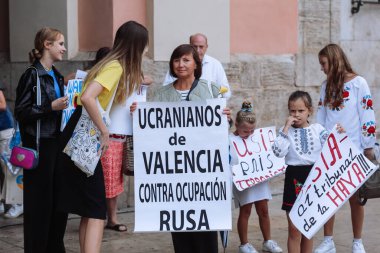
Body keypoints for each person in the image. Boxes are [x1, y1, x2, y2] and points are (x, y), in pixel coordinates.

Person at [57, 20, 149, 253]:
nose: (147, 50)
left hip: (77, 132)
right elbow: (88, 97)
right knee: (97, 209)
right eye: (146, 45)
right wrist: (104, 131)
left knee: (91, 208)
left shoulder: (108, 64)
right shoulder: (115, 67)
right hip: (87, 134)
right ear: (136, 45)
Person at [131, 44, 232, 253]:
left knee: (206, 231)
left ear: (196, 63)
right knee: (181, 231)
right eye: (177, 60)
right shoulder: (161, 94)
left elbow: (220, 132)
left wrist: (226, 119)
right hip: (174, 177)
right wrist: (139, 115)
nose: (181, 64)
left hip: (203, 176)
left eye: (186, 60)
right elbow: (152, 132)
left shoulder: (211, 89)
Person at [314, 44, 376, 253]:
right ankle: (328, 240)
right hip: (331, 150)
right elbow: (321, 117)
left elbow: (367, 115)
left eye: (324, 63)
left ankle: (357, 241)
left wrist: (368, 148)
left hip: (355, 150)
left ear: (334, 60)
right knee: (328, 195)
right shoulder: (326, 86)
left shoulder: (359, 83)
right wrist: (321, 143)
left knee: (356, 198)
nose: (322, 68)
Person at [14, 27, 69, 253]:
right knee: (40, 207)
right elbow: (21, 111)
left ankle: (55, 247)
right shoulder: (32, 74)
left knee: (58, 204)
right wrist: (50, 107)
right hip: (39, 146)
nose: (64, 48)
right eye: (60, 43)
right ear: (47, 45)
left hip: (57, 144)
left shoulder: (56, 74)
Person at [272, 91, 331, 253]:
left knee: (308, 229)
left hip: (313, 178)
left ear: (309, 111)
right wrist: (285, 128)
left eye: (300, 111)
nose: (296, 115)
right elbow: (278, 151)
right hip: (294, 178)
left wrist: (339, 132)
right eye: (292, 111)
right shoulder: (285, 132)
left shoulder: (318, 129)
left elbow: (332, 146)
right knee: (294, 228)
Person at [101, 50, 152, 232]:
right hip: (110, 136)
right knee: (108, 180)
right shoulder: (107, 78)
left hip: (122, 136)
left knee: (115, 179)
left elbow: (148, 79)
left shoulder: (126, 76)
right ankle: (104, 218)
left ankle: (109, 218)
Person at [230, 101, 283, 253]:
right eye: (245, 131)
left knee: (264, 210)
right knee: (245, 211)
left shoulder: (258, 137)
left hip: (259, 179)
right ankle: (244, 244)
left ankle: (268, 241)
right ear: (237, 125)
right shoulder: (230, 140)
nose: (249, 134)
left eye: (252, 130)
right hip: (244, 181)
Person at [163, 33, 231, 99]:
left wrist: (218, 105)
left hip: (208, 107)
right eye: (195, 47)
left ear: (206, 47)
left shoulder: (215, 64)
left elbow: (225, 91)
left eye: (201, 47)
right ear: (190, 46)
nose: (198, 50)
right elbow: (166, 88)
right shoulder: (179, 66)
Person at [0, 85, 23, 219]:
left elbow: (2, 105)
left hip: (4, 130)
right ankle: (2, 203)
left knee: (9, 168)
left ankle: (19, 203)